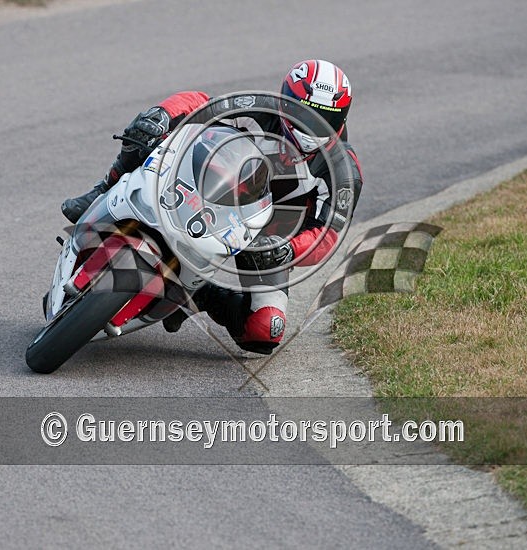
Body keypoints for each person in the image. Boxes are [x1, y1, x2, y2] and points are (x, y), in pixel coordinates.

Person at [61, 60, 364, 355]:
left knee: (264, 330)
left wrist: (289, 251)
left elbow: (328, 234)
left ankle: (198, 294)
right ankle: (105, 188)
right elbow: (200, 102)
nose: (309, 127)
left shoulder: (343, 170)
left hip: (267, 239)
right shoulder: (261, 108)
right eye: (302, 114)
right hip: (213, 188)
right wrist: (162, 115)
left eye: (324, 118)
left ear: (342, 117)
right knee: (145, 130)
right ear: (285, 102)